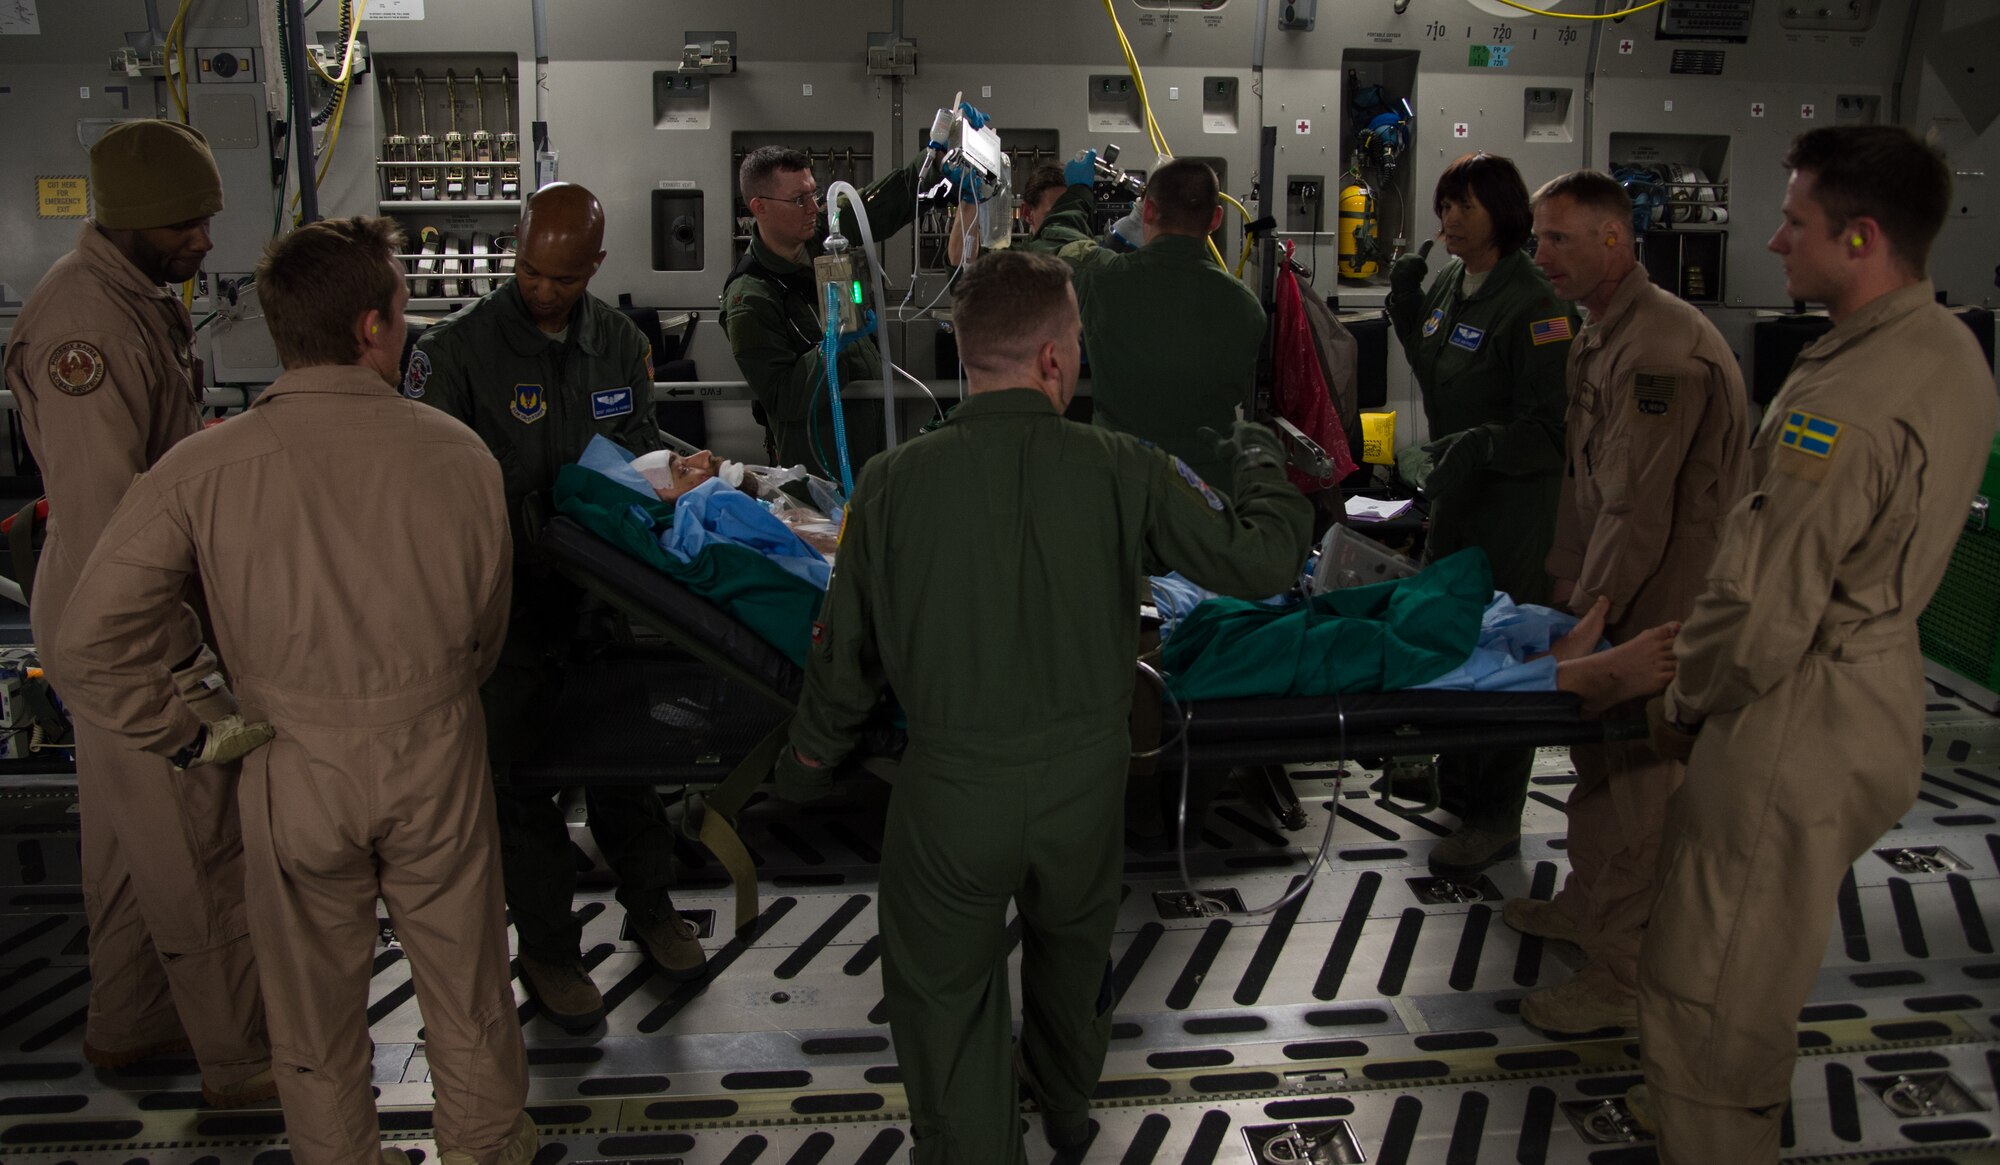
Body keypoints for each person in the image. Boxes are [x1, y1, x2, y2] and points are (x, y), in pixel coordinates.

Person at [777, 250, 1312, 1164]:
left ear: (963, 351)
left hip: (950, 795)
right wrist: (1261, 458)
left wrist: (806, 764)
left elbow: (843, 656)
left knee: (946, 998)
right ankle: (1066, 1104)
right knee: (1072, 956)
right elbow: (1260, 562)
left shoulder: (891, 482)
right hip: (1085, 788)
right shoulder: (1125, 466)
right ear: (1055, 360)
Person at [50, 215, 537, 1165]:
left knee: (311, 1008)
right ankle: (484, 1148)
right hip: (433, 749)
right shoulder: (461, 455)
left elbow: (86, 640)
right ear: (370, 326)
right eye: (401, 313)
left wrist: (194, 729)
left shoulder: (201, 467)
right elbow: (487, 628)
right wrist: (430, 692)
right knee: (468, 986)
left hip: (285, 756)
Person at [1632, 126, 1997, 1164]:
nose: (1774, 238)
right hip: (1877, 689)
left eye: (1795, 221)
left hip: (1792, 714)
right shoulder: (1948, 350)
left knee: (1709, 998)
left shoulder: (1840, 402)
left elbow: (1759, 606)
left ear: (1861, 238)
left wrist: (1680, 700)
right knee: (1756, 962)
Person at [1, 118, 276, 1106]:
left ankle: (127, 1024)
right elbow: (111, 527)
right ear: (132, 224)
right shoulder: (87, 331)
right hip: (123, 630)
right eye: (187, 223)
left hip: (108, 615)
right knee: (198, 847)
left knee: (127, 843)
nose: (206, 239)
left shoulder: (134, 299)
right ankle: (241, 1061)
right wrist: (185, 672)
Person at [407, 183, 705, 1031]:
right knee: (520, 788)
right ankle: (548, 945)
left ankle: (651, 907)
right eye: (531, 271)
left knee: (626, 765)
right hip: (504, 612)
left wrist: (675, 473)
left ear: (595, 270)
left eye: (563, 279)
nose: (543, 289)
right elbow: (431, 489)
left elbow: (639, 444)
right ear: (515, 249)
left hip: (603, 599)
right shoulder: (455, 352)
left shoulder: (615, 341)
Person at [1507, 170, 1750, 1035]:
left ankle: (1621, 977)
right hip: (1621, 589)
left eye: (1558, 239)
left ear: (1615, 239)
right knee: (1600, 761)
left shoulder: (1660, 352)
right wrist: (1568, 582)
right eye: (1538, 238)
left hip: (1666, 602)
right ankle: (1588, 904)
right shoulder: (1601, 332)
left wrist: (1593, 624)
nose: (1542, 256)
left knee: (1643, 782)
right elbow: (1587, 479)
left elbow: (1637, 507)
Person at [1385, 151, 1575, 876]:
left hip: (1512, 509)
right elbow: (1440, 371)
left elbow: (1553, 431)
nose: (1449, 219)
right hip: (1457, 499)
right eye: (1445, 206)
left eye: (1464, 206)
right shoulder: (1448, 285)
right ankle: (1459, 785)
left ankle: (1495, 814)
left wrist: (1485, 444)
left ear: (1503, 213)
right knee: (1452, 639)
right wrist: (1405, 317)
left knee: (1503, 658)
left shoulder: (1535, 306)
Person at [1034, 156, 1265, 490]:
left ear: (1150, 211)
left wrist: (1079, 192)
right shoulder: (1246, 306)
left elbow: (1051, 246)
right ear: (1216, 219)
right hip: (1209, 491)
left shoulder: (1102, 280)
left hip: (1122, 482)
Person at [723, 144, 923, 475]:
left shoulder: (820, 239)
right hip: (820, 463)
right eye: (798, 199)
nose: (813, 208)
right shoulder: (750, 299)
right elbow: (782, 396)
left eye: (814, 195)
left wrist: (935, 162)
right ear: (759, 207)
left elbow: (875, 204)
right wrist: (831, 348)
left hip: (871, 445)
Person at [945, 163, 1090, 266]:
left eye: (1073, 215)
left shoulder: (1094, 260)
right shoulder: (1012, 264)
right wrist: (970, 200)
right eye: (1053, 217)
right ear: (1027, 213)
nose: (1066, 227)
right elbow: (961, 260)